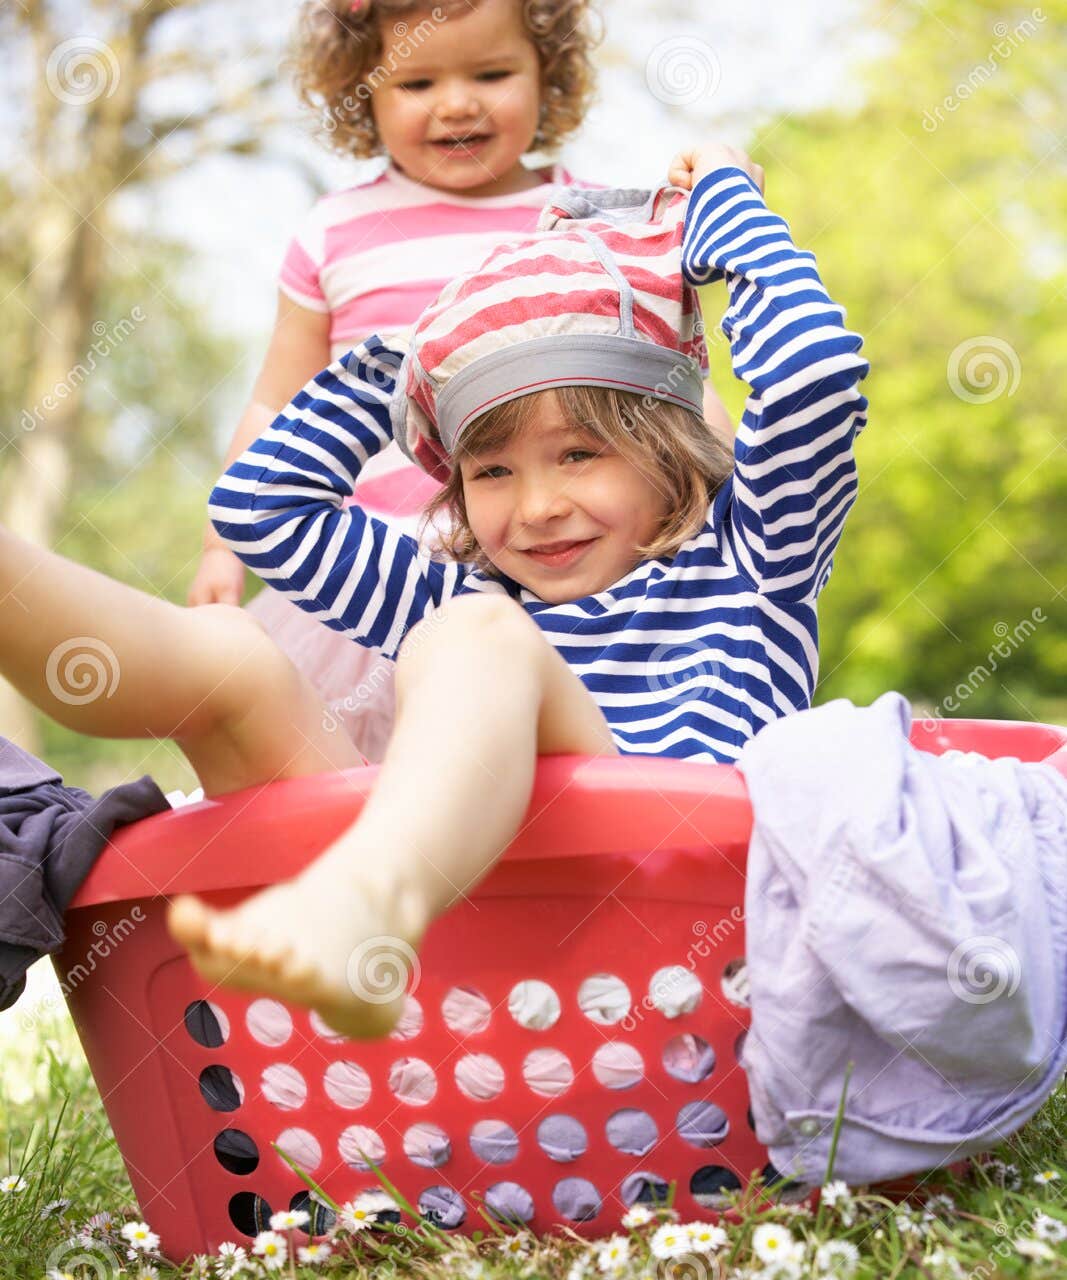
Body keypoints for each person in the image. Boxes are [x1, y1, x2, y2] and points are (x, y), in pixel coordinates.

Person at [164, 142, 868, 1036]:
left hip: (699, 991)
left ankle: (361, 904)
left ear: (668, 443)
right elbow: (260, 509)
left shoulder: (753, 558)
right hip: (524, 1032)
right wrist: (423, 351)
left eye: (579, 453)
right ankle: (357, 916)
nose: (537, 508)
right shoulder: (464, 592)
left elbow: (816, 372)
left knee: (476, 634)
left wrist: (723, 214)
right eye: (491, 471)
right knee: (468, 629)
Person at [188, 0, 732, 760]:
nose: (456, 103)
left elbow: (663, 373)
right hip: (370, 569)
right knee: (349, 774)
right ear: (362, 87)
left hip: (550, 567)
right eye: (415, 83)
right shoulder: (334, 233)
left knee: (536, 769)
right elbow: (274, 403)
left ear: (548, 70)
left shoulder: (593, 222)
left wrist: (717, 484)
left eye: (491, 72)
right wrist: (221, 551)